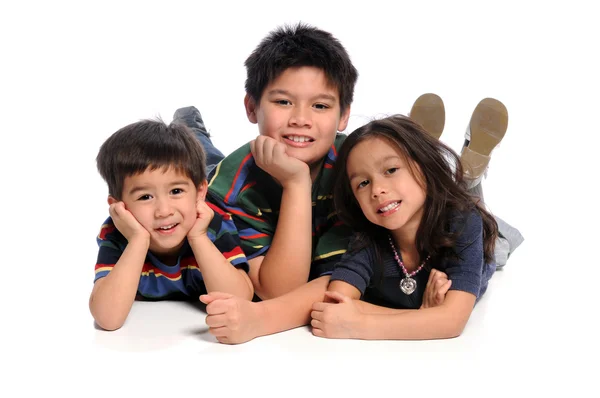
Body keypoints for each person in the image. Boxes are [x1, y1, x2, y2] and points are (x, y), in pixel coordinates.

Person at [310, 114, 502, 339]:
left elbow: (452, 321)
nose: (377, 190)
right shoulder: (367, 240)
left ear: (423, 166)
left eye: (391, 170)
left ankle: (472, 172)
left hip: (483, 237)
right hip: (427, 202)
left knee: (489, 228)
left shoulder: (463, 223)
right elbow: (336, 301)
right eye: (363, 183)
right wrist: (423, 316)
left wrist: (359, 323)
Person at [90, 119, 253, 331]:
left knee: (212, 161)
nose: (164, 211)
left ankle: (191, 125)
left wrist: (198, 237)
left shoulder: (213, 223)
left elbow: (240, 300)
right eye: (145, 197)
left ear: (199, 192)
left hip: (218, 190)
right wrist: (138, 240)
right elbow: (108, 319)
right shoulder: (118, 232)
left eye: (176, 191)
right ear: (118, 207)